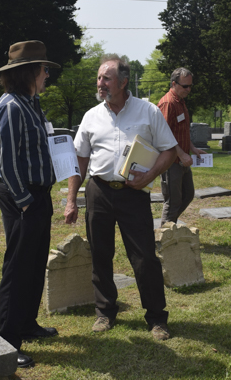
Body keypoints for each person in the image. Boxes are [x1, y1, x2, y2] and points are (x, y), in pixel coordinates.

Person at [64, 55, 178, 340]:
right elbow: (79, 160)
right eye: (99, 78)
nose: (100, 84)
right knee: (101, 254)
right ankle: (104, 313)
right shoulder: (91, 116)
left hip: (134, 193)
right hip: (98, 191)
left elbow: (170, 150)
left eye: (106, 78)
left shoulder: (148, 111)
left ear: (124, 82)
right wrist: (70, 199)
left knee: (144, 257)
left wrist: (149, 176)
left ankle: (156, 318)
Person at [0, 40, 60, 369]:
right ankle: (7, 339)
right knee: (17, 269)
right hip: (23, 196)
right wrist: (25, 201)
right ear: (29, 72)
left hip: (38, 195)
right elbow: (7, 160)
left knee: (34, 264)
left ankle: (27, 324)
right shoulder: (10, 106)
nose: (47, 74)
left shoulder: (31, 104)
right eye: (43, 69)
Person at [157, 68, 206, 224]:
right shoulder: (168, 103)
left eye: (190, 86)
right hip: (171, 161)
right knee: (173, 202)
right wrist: (181, 154)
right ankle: (163, 239)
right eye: (185, 86)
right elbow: (163, 135)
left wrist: (192, 148)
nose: (188, 90)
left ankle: (169, 229)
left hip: (182, 159)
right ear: (173, 84)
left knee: (187, 195)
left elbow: (181, 131)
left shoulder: (181, 101)